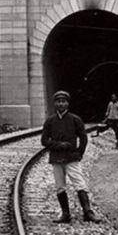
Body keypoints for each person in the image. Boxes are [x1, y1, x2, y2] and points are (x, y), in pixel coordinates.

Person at [40, 90, 96, 223]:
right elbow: (44, 141)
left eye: (63, 101)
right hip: (56, 158)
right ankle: (65, 214)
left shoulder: (75, 119)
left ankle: (88, 212)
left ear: (68, 103)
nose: (61, 104)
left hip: (71, 158)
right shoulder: (50, 121)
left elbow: (83, 138)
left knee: (79, 183)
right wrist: (58, 145)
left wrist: (79, 153)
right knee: (60, 186)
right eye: (58, 101)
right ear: (54, 104)